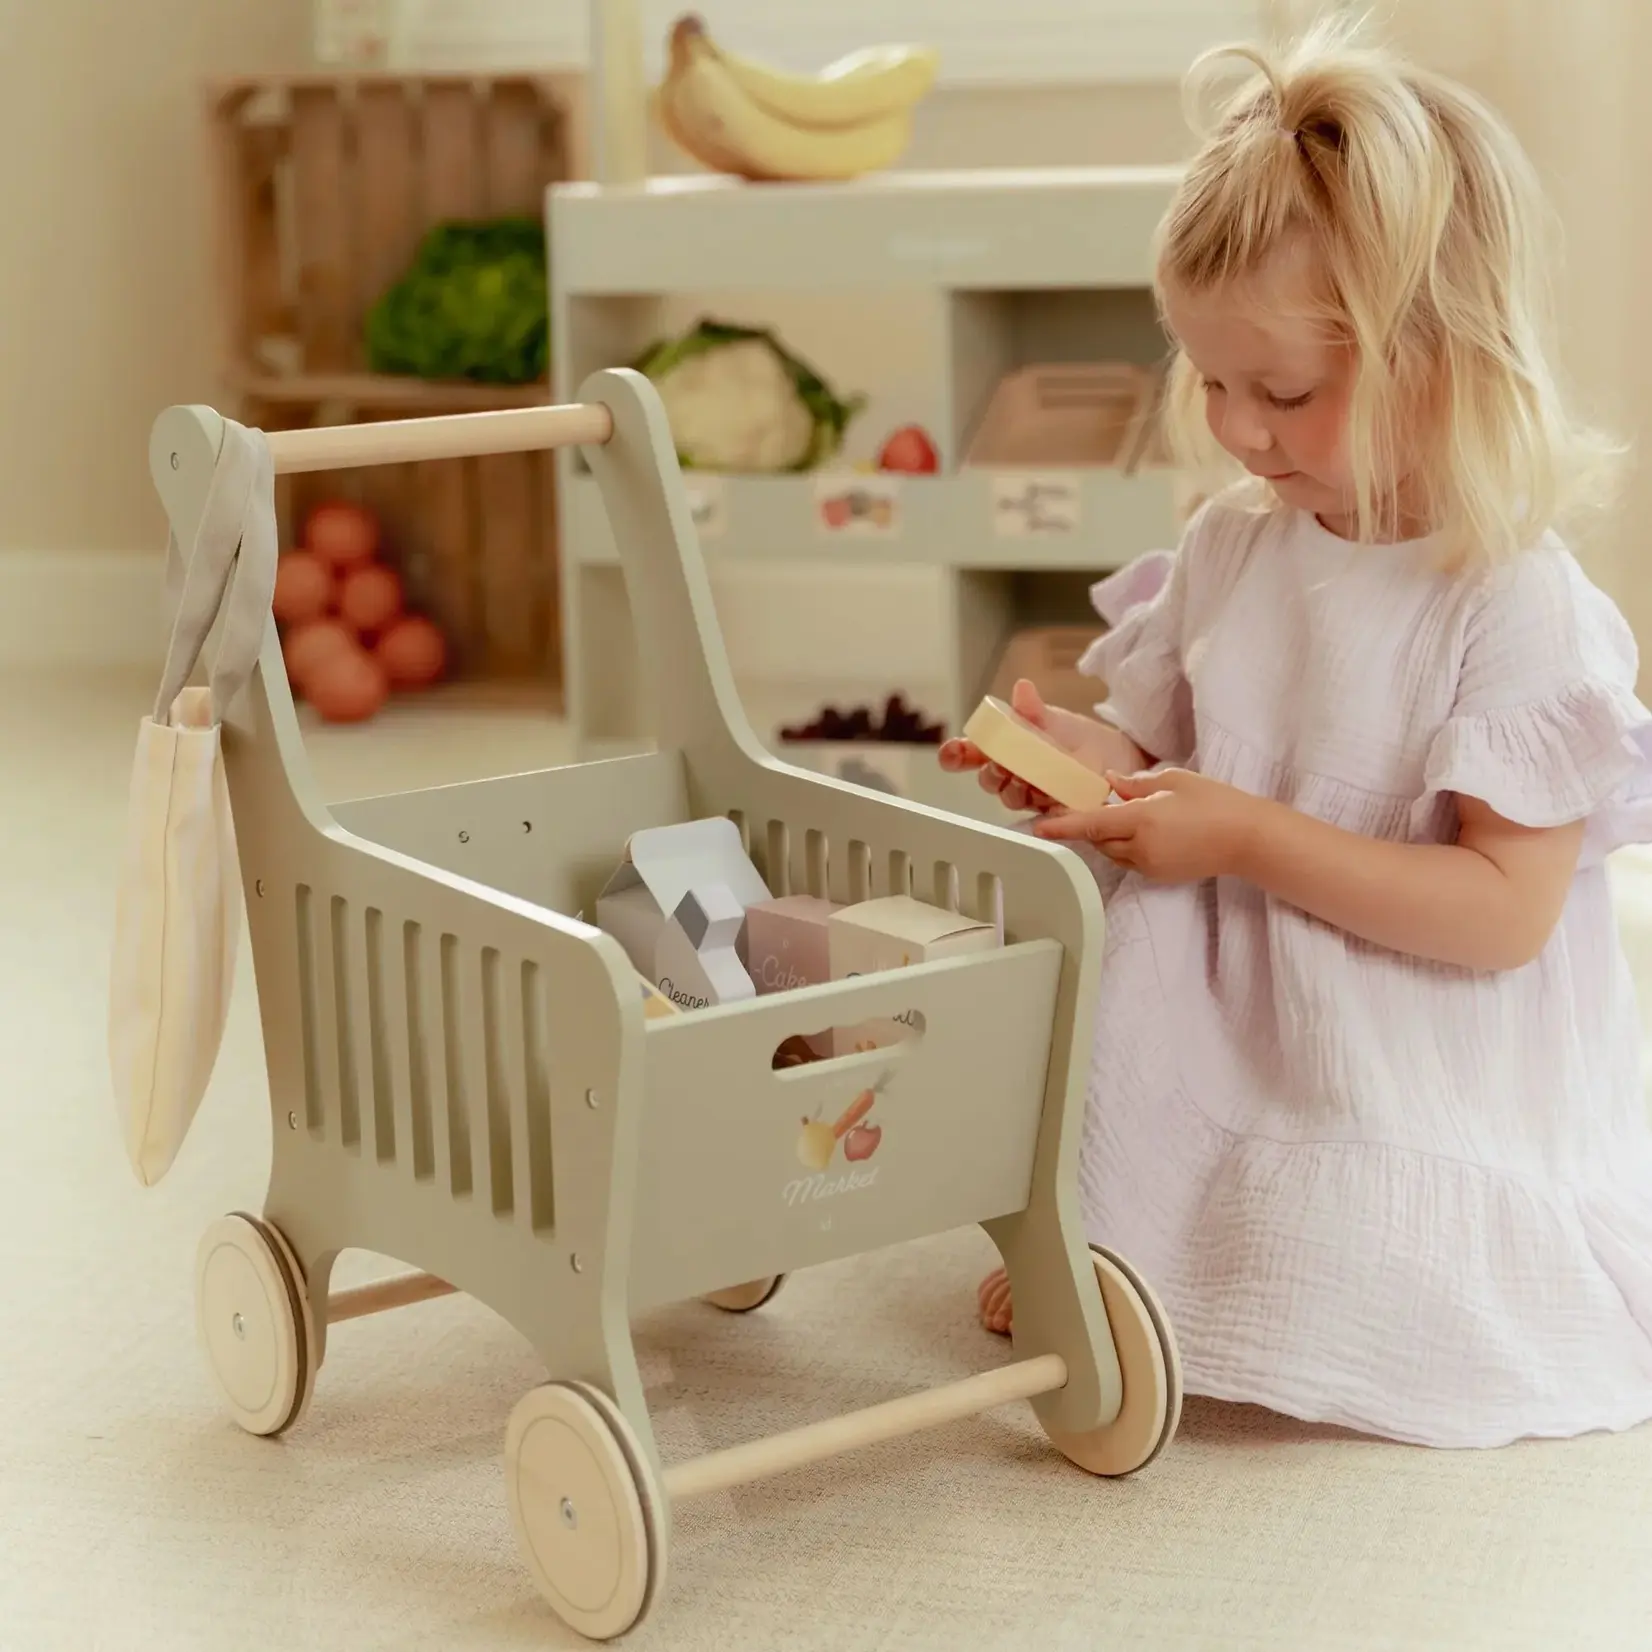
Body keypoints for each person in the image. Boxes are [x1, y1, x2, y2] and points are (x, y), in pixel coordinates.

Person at [940, 17, 1652, 1448]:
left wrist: (1252, 839)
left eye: (1284, 393)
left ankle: (1194, 1264)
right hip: (1235, 991)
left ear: (1445, 363)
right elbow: (1186, 767)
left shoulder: (1510, 602)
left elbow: (1504, 914)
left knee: (1377, 1284)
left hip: (1410, 1035)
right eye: (1211, 382)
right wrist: (1090, 766)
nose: (1241, 432)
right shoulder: (1234, 545)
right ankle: (1122, 1239)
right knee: (1103, 967)